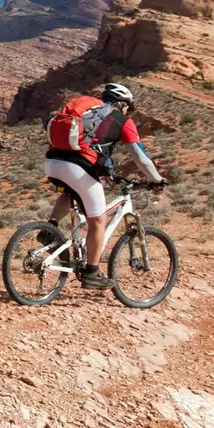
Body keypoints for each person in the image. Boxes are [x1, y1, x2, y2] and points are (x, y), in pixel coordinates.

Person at [42, 82, 165, 290]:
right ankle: (92, 273)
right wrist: (157, 179)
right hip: (77, 167)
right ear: (124, 104)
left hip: (52, 162)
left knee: (71, 193)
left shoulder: (89, 108)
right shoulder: (123, 121)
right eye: (128, 107)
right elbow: (141, 158)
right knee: (98, 220)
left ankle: (49, 229)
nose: (128, 111)